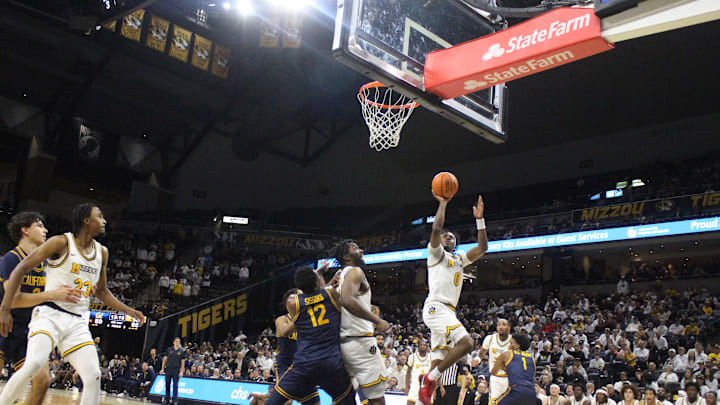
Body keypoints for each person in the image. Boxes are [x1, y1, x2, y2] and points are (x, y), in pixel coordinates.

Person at [0, 203, 145, 405]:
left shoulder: (102, 252)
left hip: (76, 321)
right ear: (86, 220)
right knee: (33, 364)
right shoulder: (61, 242)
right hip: (49, 314)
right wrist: (5, 309)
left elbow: (102, 291)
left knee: (94, 375)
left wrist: (129, 310)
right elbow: (20, 269)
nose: (104, 221)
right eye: (100, 216)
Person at [0, 212, 81, 405]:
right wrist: (51, 295)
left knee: (42, 380)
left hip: (29, 328)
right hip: (5, 323)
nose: (45, 230)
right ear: (25, 230)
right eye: (39, 226)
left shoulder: (46, 264)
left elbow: (59, 293)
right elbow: (14, 300)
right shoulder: (11, 259)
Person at [419, 193, 488, 404]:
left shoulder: (458, 259)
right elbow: (436, 229)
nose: (449, 237)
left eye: (453, 237)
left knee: (439, 358)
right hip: (436, 307)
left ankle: (425, 392)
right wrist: (442, 203)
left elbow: (483, 248)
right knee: (467, 343)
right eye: (446, 236)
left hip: (448, 310)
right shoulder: (435, 254)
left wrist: (479, 220)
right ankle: (430, 378)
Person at [264, 266, 355, 405]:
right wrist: (322, 276)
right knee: (347, 400)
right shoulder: (330, 294)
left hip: (303, 365)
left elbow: (314, 298)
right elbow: (323, 294)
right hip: (328, 363)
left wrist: (317, 276)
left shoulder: (294, 304)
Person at [335, 240, 391, 404]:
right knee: (377, 399)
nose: (361, 250)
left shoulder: (341, 276)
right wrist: (377, 320)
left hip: (344, 344)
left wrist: (367, 307)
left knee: (345, 398)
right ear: (346, 256)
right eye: (355, 248)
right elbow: (347, 299)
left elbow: (344, 300)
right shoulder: (355, 271)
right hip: (361, 343)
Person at [489, 333, 536, 405]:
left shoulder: (507, 354)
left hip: (517, 390)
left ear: (517, 345)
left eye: (511, 343)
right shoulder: (532, 358)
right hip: (531, 392)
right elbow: (530, 375)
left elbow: (493, 372)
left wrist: (501, 366)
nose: (509, 345)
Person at [481, 319, 513, 403]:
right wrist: (478, 359)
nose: (501, 327)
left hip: (510, 378)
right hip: (495, 377)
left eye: (504, 324)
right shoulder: (490, 338)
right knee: (493, 401)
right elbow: (481, 353)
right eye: (499, 325)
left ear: (509, 327)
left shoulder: (513, 341)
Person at [160, 337, 185, 404]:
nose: (178, 343)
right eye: (176, 341)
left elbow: (183, 363)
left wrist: (181, 372)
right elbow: (164, 359)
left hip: (176, 370)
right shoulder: (169, 350)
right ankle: (167, 399)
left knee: (175, 385)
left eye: (179, 342)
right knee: (167, 384)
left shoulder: (181, 351)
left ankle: (175, 400)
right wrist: (162, 368)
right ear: (173, 342)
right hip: (168, 369)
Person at [406, 340, 432, 405]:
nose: (422, 346)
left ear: (427, 347)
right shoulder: (412, 356)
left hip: (427, 386)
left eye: (424, 345)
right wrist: (407, 386)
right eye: (421, 345)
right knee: (410, 403)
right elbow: (408, 372)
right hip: (415, 384)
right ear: (418, 346)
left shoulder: (431, 357)